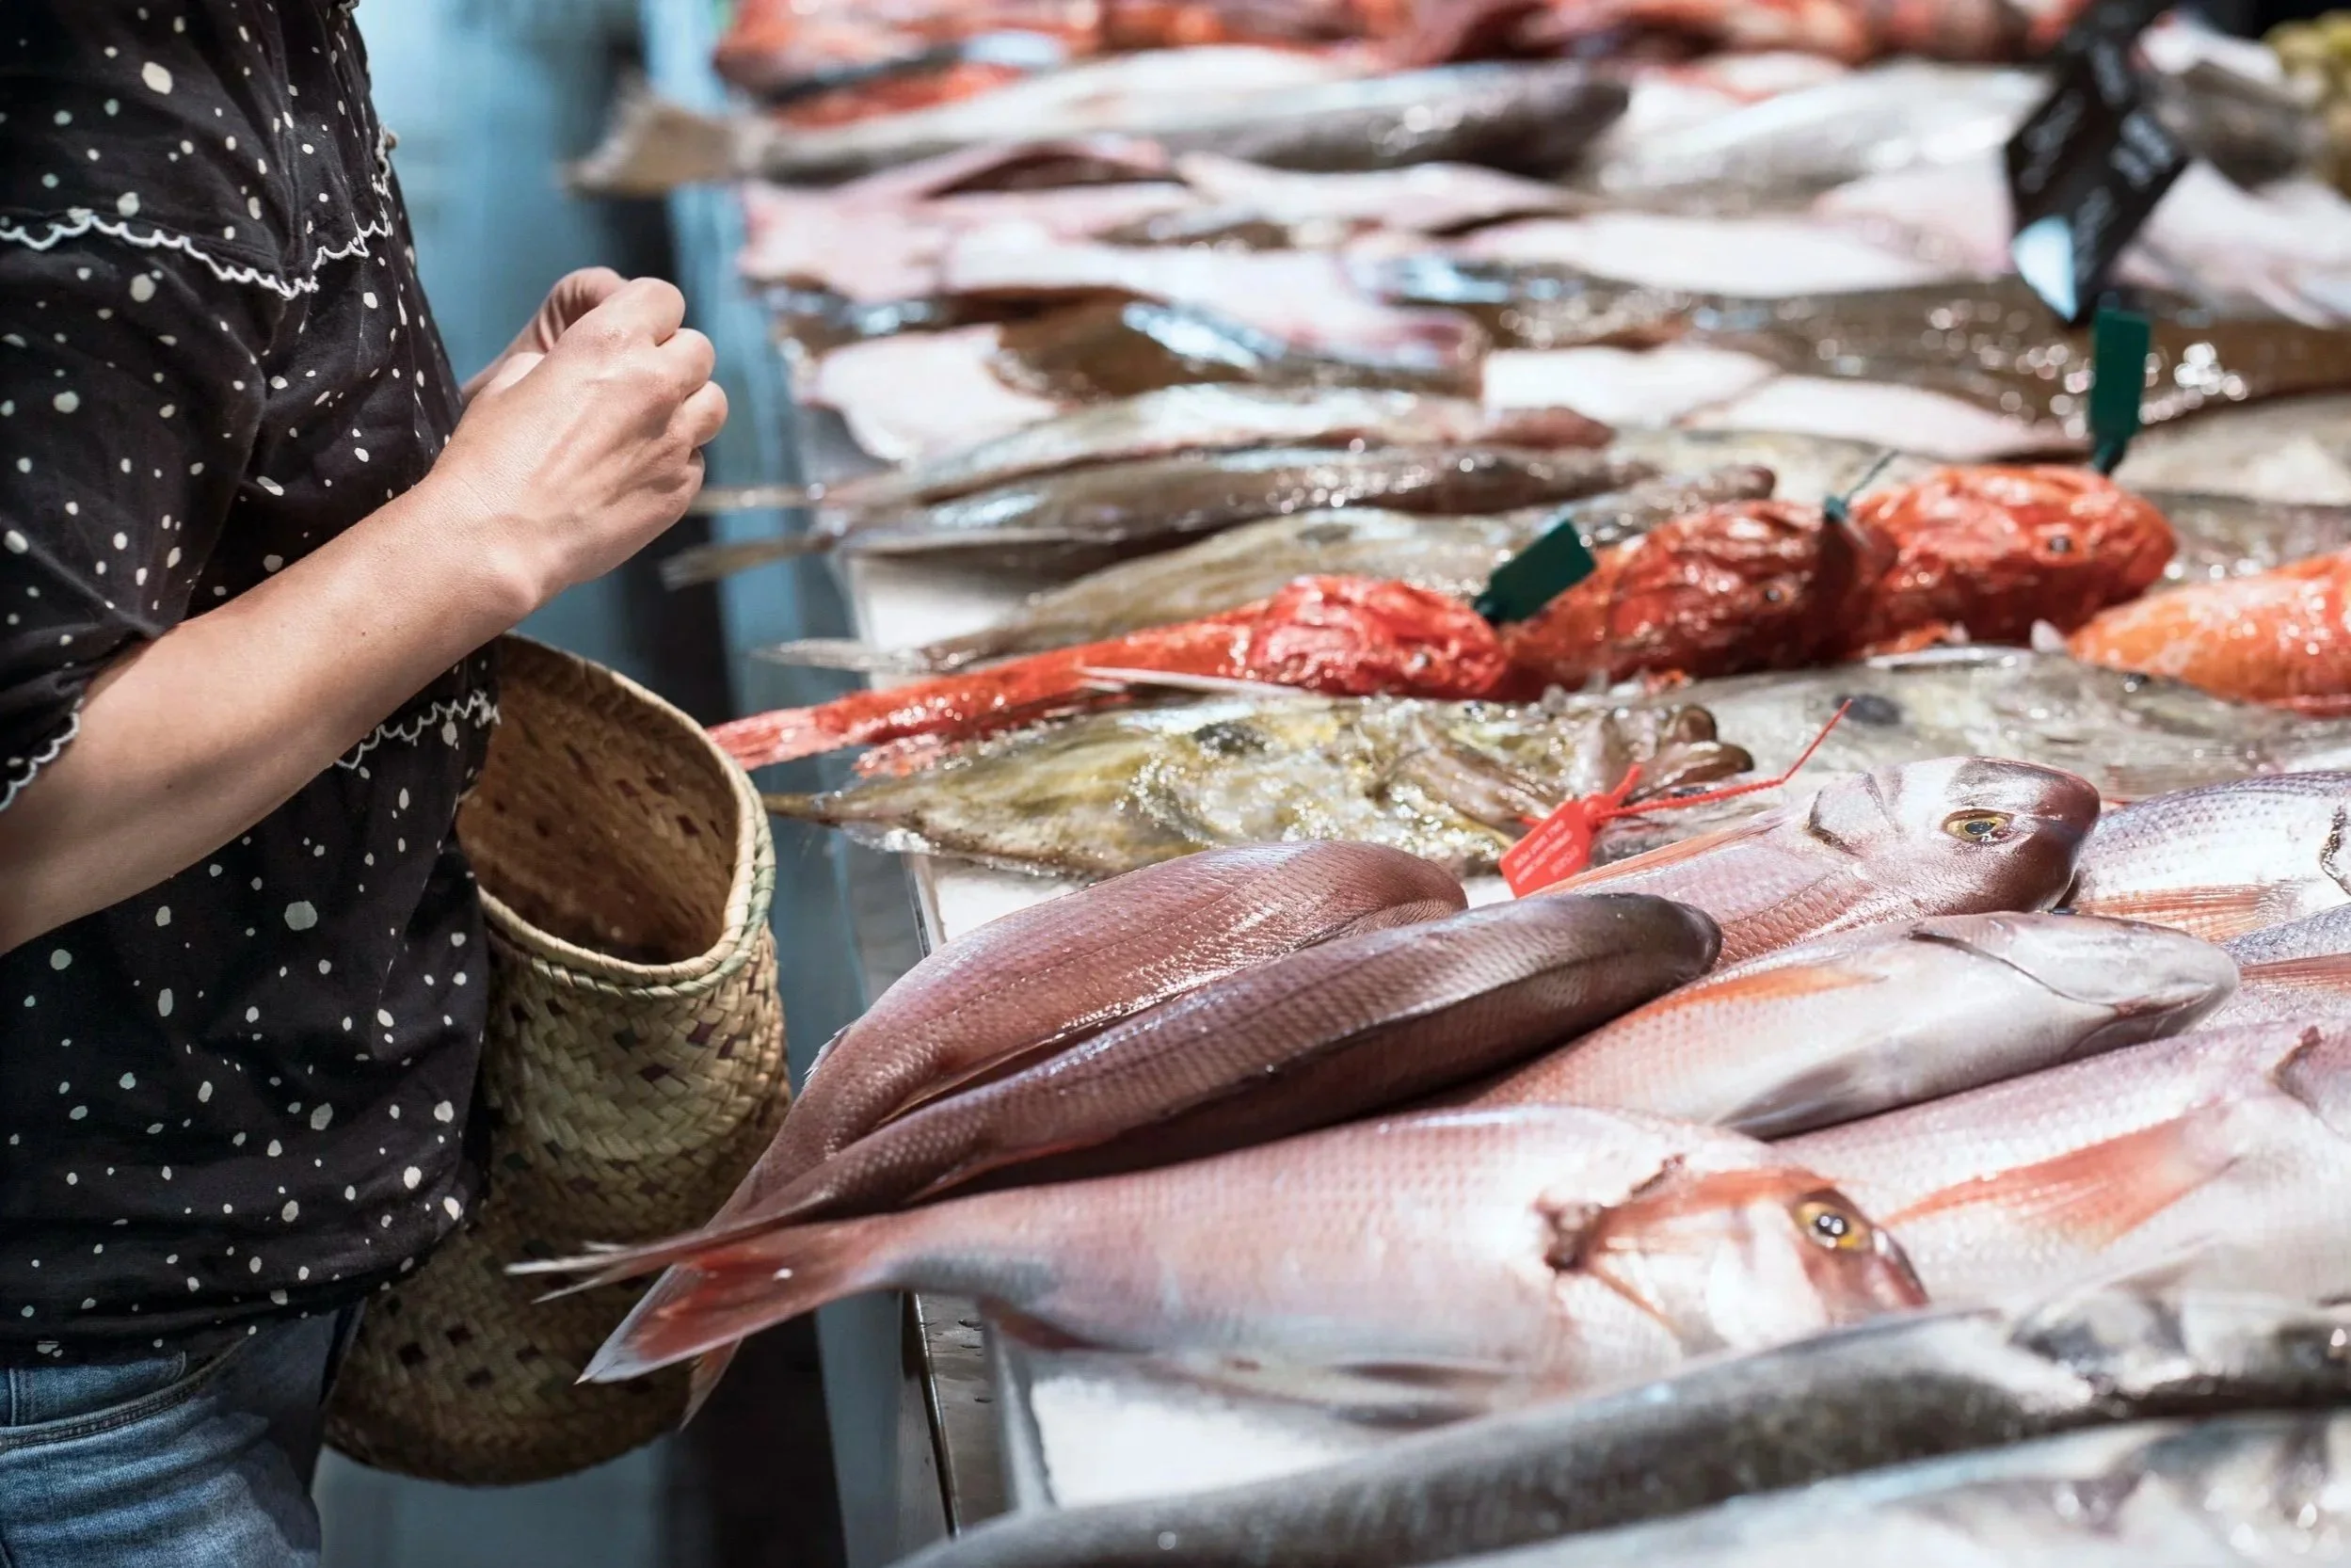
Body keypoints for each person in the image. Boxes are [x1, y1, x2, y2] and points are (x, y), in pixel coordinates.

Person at [0, 5, 727, 1562]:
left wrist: (384, 475)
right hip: (70, 1382)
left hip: (190, 1281)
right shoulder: (77, 88)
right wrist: (479, 531)